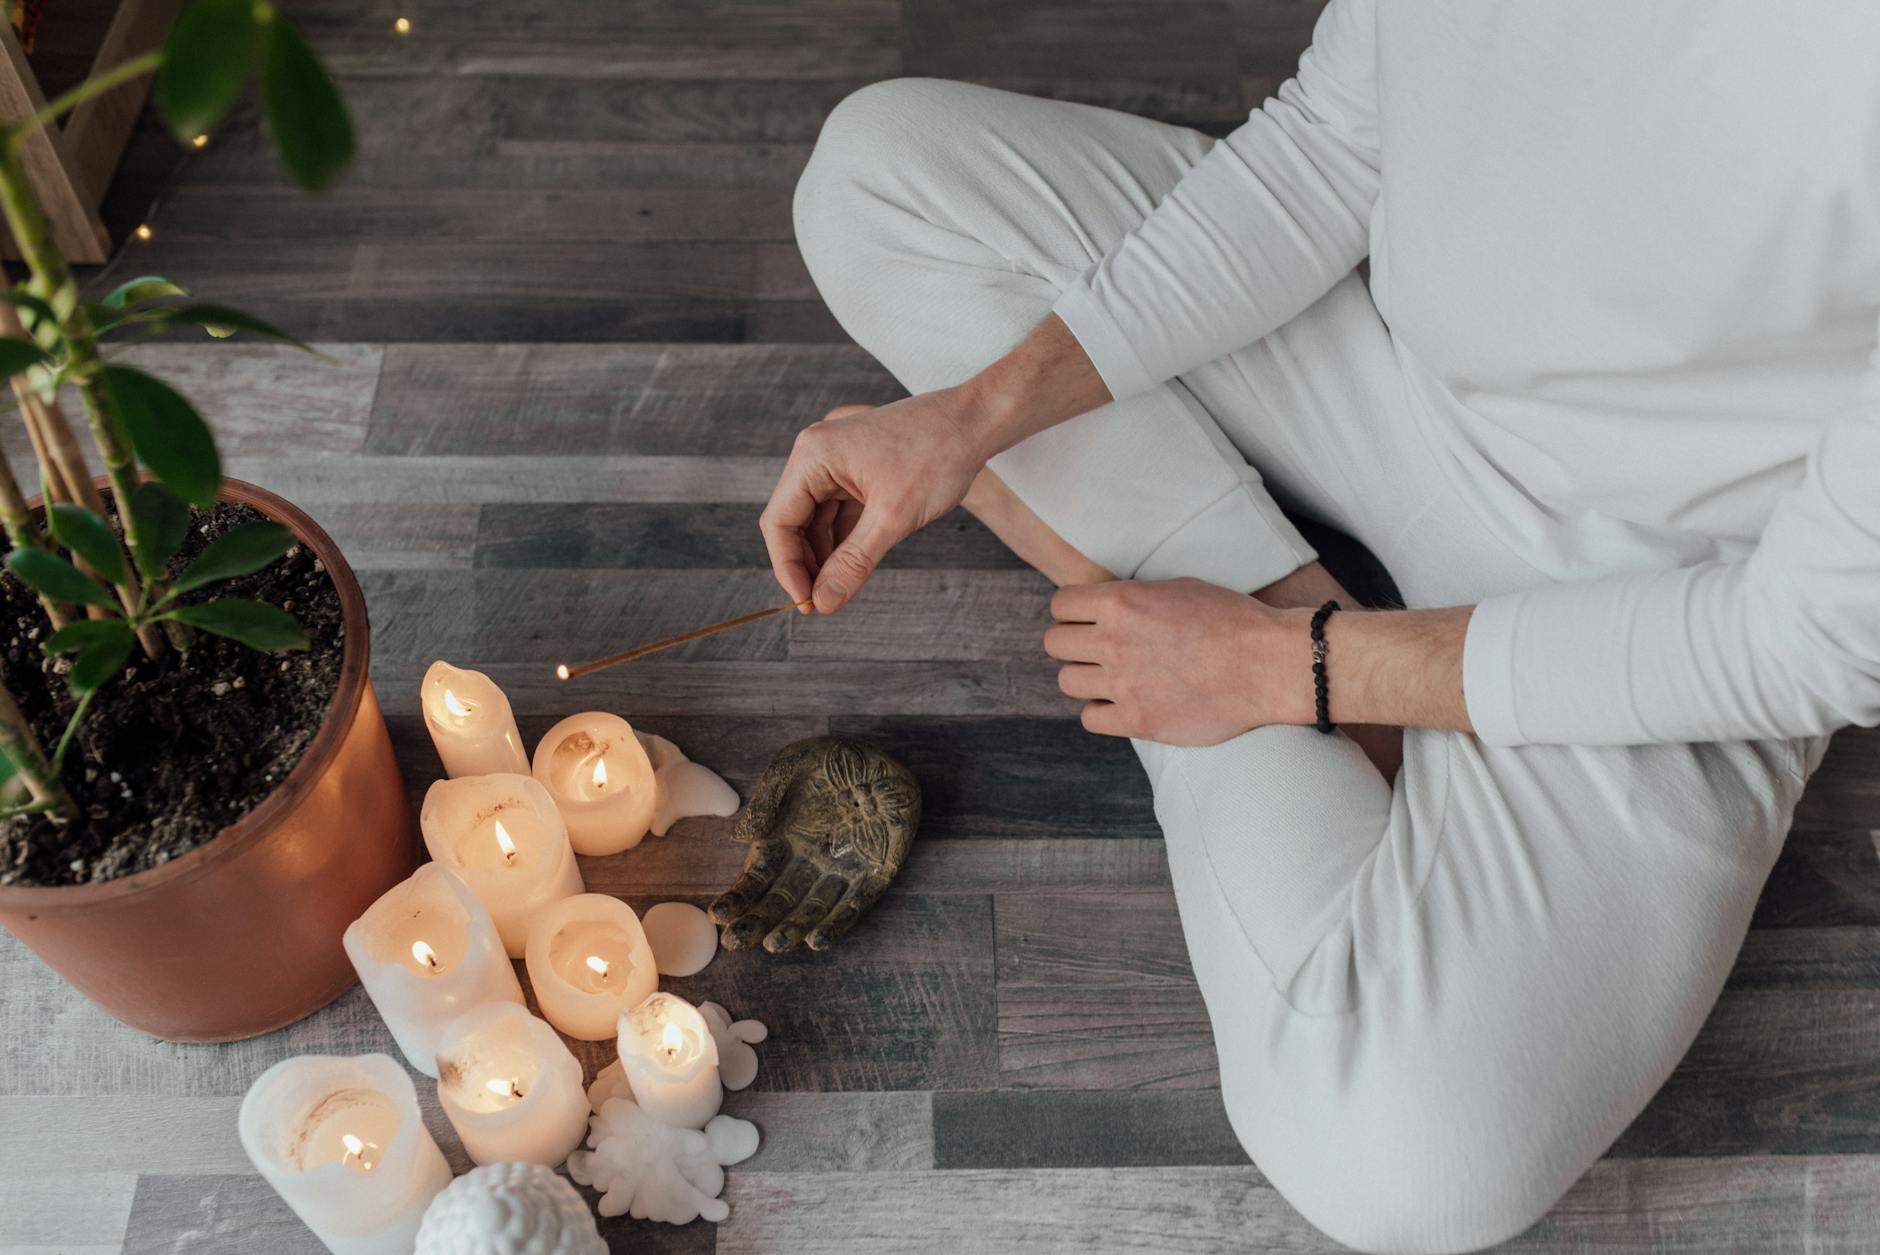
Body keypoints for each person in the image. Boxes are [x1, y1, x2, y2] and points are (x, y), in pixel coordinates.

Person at [760, 2, 1880, 1250]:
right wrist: (968, 418)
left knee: (1404, 1162)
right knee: (878, 176)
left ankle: (1213, 647)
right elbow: (1328, 148)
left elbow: (1793, 643)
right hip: (1391, 370)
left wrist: (1282, 671)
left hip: (1665, 593)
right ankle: (1233, 596)